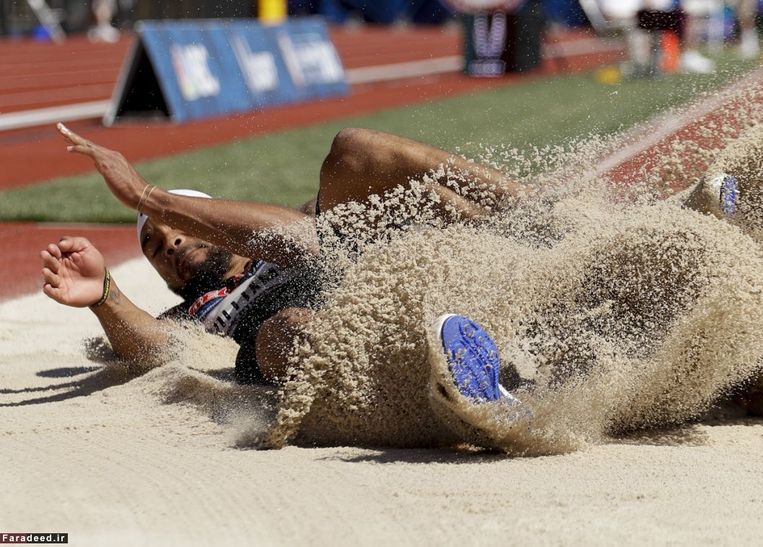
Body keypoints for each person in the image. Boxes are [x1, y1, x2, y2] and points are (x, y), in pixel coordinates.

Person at [41, 123, 530, 390]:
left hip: (366, 274)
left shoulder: (286, 224)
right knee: (283, 332)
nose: (169, 243)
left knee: (354, 150)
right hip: (309, 337)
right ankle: (445, 378)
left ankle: (535, 218)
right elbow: (150, 345)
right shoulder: (190, 314)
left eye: (181, 229)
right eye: (153, 246)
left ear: (216, 221)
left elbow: (303, 237)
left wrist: (152, 198)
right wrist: (104, 295)